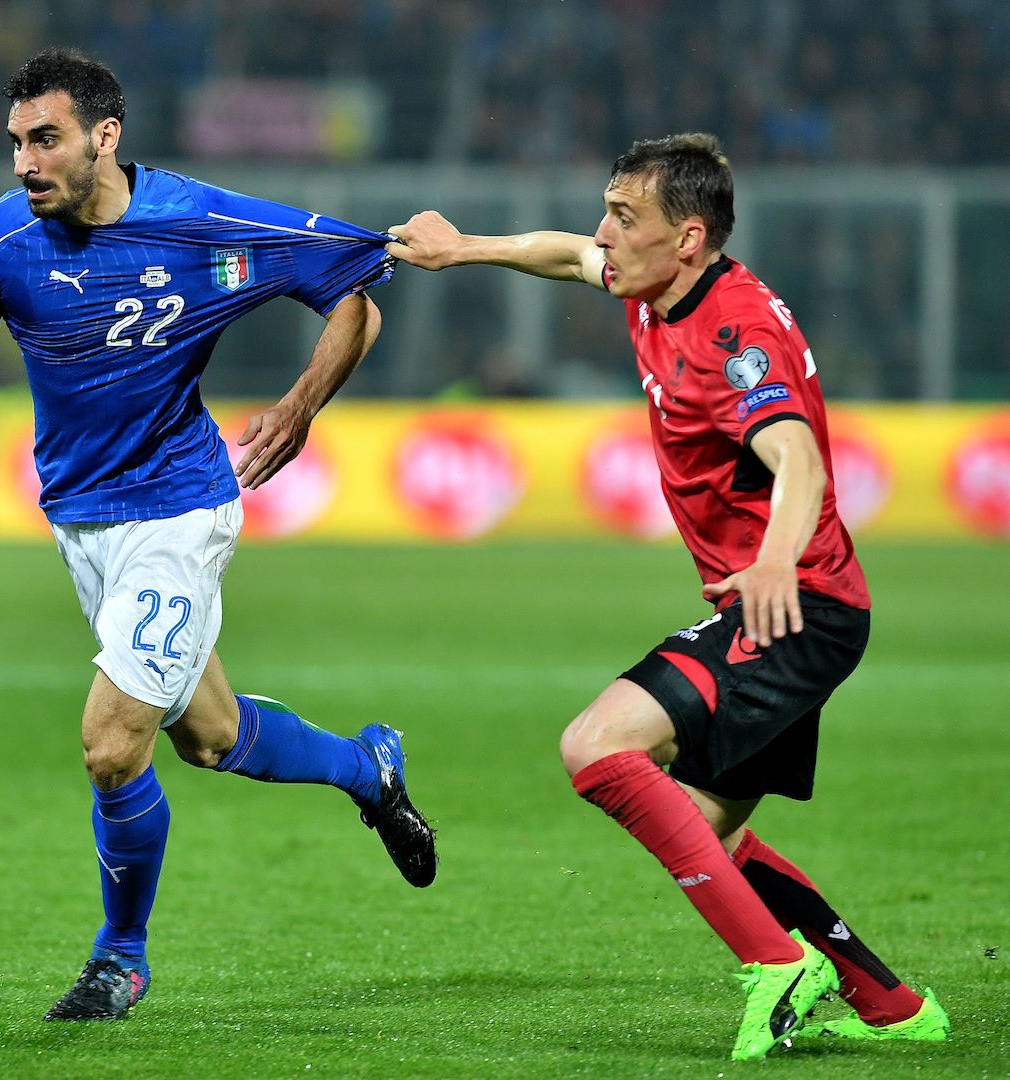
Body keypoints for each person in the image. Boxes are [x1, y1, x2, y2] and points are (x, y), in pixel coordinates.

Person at [0, 48, 436, 1023]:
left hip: (182, 512)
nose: (23, 163)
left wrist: (299, 407)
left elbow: (356, 301)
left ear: (104, 137)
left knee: (112, 745)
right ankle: (368, 769)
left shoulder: (205, 224)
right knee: (211, 739)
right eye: (14, 143)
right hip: (81, 523)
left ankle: (119, 958)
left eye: (44, 140)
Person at [386, 133, 949, 1061]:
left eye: (623, 216)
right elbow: (565, 253)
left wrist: (774, 561)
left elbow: (799, 457)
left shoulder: (737, 337)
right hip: (788, 602)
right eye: (608, 210)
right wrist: (466, 249)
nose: (602, 234)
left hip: (793, 606)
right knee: (706, 836)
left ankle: (778, 966)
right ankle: (888, 1001)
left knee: (596, 746)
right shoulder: (647, 279)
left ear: (687, 237)